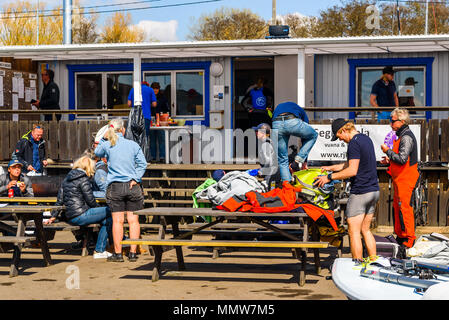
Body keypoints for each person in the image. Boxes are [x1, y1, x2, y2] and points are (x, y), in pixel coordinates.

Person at [314, 119, 379, 263]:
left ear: (343, 130)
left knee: (353, 231)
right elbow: (351, 164)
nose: (340, 140)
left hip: (361, 192)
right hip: (373, 190)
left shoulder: (354, 143)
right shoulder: (365, 139)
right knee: (365, 229)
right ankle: (374, 261)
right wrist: (330, 168)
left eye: (339, 136)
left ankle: (357, 264)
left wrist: (329, 177)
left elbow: (352, 170)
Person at [94, 118, 147, 262]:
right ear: (123, 129)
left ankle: (118, 254)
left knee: (117, 221)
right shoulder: (133, 144)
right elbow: (142, 164)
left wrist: (104, 139)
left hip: (115, 186)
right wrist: (136, 178)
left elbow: (97, 152)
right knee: (133, 220)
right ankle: (133, 253)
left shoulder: (108, 145)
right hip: (132, 185)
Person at [45, 156, 113, 259]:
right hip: (82, 215)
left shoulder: (66, 179)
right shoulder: (83, 179)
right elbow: (91, 201)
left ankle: (99, 248)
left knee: (106, 219)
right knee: (111, 212)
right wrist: (99, 209)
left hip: (70, 216)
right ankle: (100, 249)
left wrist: (53, 216)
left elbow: (59, 200)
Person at [381, 108, 419, 248]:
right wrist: (389, 160)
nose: (390, 124)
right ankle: (401, 236)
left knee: (405, 209)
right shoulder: (402, 135)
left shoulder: (406, 137)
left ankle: (409, 239)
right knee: (398, 209)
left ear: (402, 121)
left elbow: (402, 159)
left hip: (406, 178)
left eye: (393, 121)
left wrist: (387, 151)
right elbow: (400, 158)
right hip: (400, 178)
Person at [271, 101, 318, 183]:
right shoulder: (300, 110)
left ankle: (287, 186)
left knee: (282, 160)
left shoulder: (279, 107)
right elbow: (305, 137)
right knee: (313, 135)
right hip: (291, 121)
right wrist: (302, 161)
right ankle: (296, 161)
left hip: (276, 123)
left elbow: (273, 120)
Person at [253, 123, 280, 188]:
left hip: (271, 174)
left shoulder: (265, 145)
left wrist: (262, 171)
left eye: (257, 131)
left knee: (269, 193)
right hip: (274, 171)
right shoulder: (269, 142)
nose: (256, 133)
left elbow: (268, 161)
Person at [150, 82, 170, 162]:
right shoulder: (149, 97)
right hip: (151, 119)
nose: (155, 90)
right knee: (152, 140)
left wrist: (166, 117)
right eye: (154, 88)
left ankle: (162, 157)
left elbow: (167, 109)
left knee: (161, 139)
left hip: (161, 120)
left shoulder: (163, 97)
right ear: (151, 89)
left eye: (157, 88)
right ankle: (153, 157)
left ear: (159, 88)